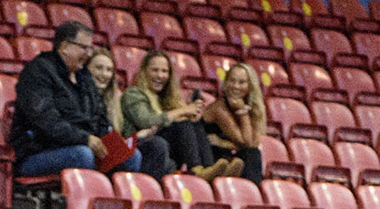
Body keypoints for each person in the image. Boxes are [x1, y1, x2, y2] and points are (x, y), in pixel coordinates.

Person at [9, 22, 142, 178]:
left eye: (90, 48)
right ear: (65, 46)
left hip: (81, 146)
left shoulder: (83, 76)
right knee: (83, 155)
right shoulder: (38, 72)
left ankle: (110, 201)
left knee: (132, 156)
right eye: (84, 48)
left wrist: (109, 141)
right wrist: (85, 139)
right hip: (38, 152)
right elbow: (46, 121)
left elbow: (99, 116)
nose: (88, 54)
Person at [122, 51, 222, 179]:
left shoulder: (166, 98)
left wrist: (190, 115)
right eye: (155, 70)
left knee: (193, 125)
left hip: (166, 146)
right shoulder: (133, 94)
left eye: (164, 71)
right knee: (182, 125)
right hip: (144, 144)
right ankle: (196, 169)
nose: (160, 75)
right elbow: (145, 121)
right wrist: (182, 111)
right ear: (144, 72)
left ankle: (209, 169)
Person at [88, 49, 170, 179]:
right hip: (91, 147)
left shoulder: (114, 99)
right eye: (99, 68)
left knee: (161, 152)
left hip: (110, 148)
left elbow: (118, 136)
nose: (104, 74)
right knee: (146, 150)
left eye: (109, 70)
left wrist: (136, 137)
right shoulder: (80, 95)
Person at [201, 61, 266, 183]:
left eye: (241, 82)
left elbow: (253, 144)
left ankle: (253, 194)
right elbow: (245, 142)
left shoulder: (252, 108)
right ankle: (252, 193)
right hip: (212, 158)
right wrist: (242, 112)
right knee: (250, 154)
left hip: (231, 157)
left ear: (250, 86)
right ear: (226, 83)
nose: (236, 86)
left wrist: (223, 143)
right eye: (232, 81)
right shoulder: (219, 107)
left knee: (252, 154)